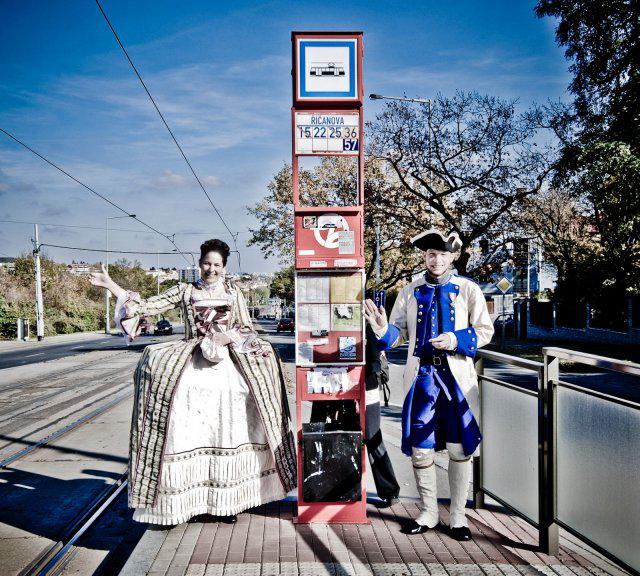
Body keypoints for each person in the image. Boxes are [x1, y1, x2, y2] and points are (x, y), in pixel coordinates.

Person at [90, 239, 296, 525]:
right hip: (192, 362)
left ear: (224, 267)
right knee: (185, 430)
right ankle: (187, 503)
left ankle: (227, 502)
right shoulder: (185, 291)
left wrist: (227, 336)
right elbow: (147, 306)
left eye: (217, 264)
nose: (211, 269)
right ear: (199, 263)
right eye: (207, 263)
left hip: (227, 365)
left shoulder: (234, 293)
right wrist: (111, 285)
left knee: (229, 429)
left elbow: (246, 329)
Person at [364, 229, 493, 540]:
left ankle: (458, 517)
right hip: (422, 379)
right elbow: (398, 334)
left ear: (452, 256)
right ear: (424, 256)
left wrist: (455, 339)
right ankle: (429, 512)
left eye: (442, 254)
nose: (436, 260)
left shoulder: (468, 289)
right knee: (421, 449)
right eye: (431, 254)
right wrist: (381, 330)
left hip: (456, 379)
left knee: (459, 448)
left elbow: (485, 330)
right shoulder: (409, 291)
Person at [309, 323, 401, 507]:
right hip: (333, 381)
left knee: (372, 435)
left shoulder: (363, 320)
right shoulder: (324, 319)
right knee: (331, 433)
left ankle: (389, 490)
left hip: (363, 382)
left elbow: (376, 352)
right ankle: (332, 488)